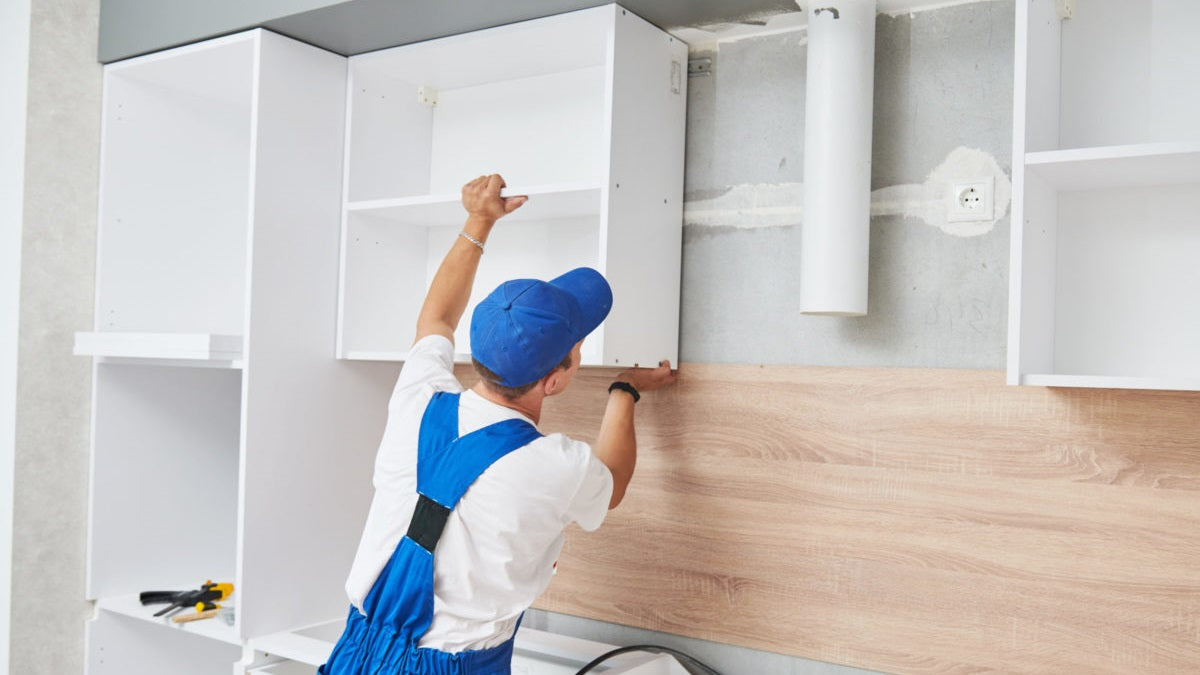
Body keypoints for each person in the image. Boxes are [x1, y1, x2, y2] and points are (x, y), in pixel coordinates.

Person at [320, 173, 676, 675]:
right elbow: (611, 483)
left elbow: (436, 319)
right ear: (555, 379)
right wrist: (625, 390)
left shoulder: (418, 398)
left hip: (356, 651)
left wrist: (478, 220)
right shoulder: (553, 464)